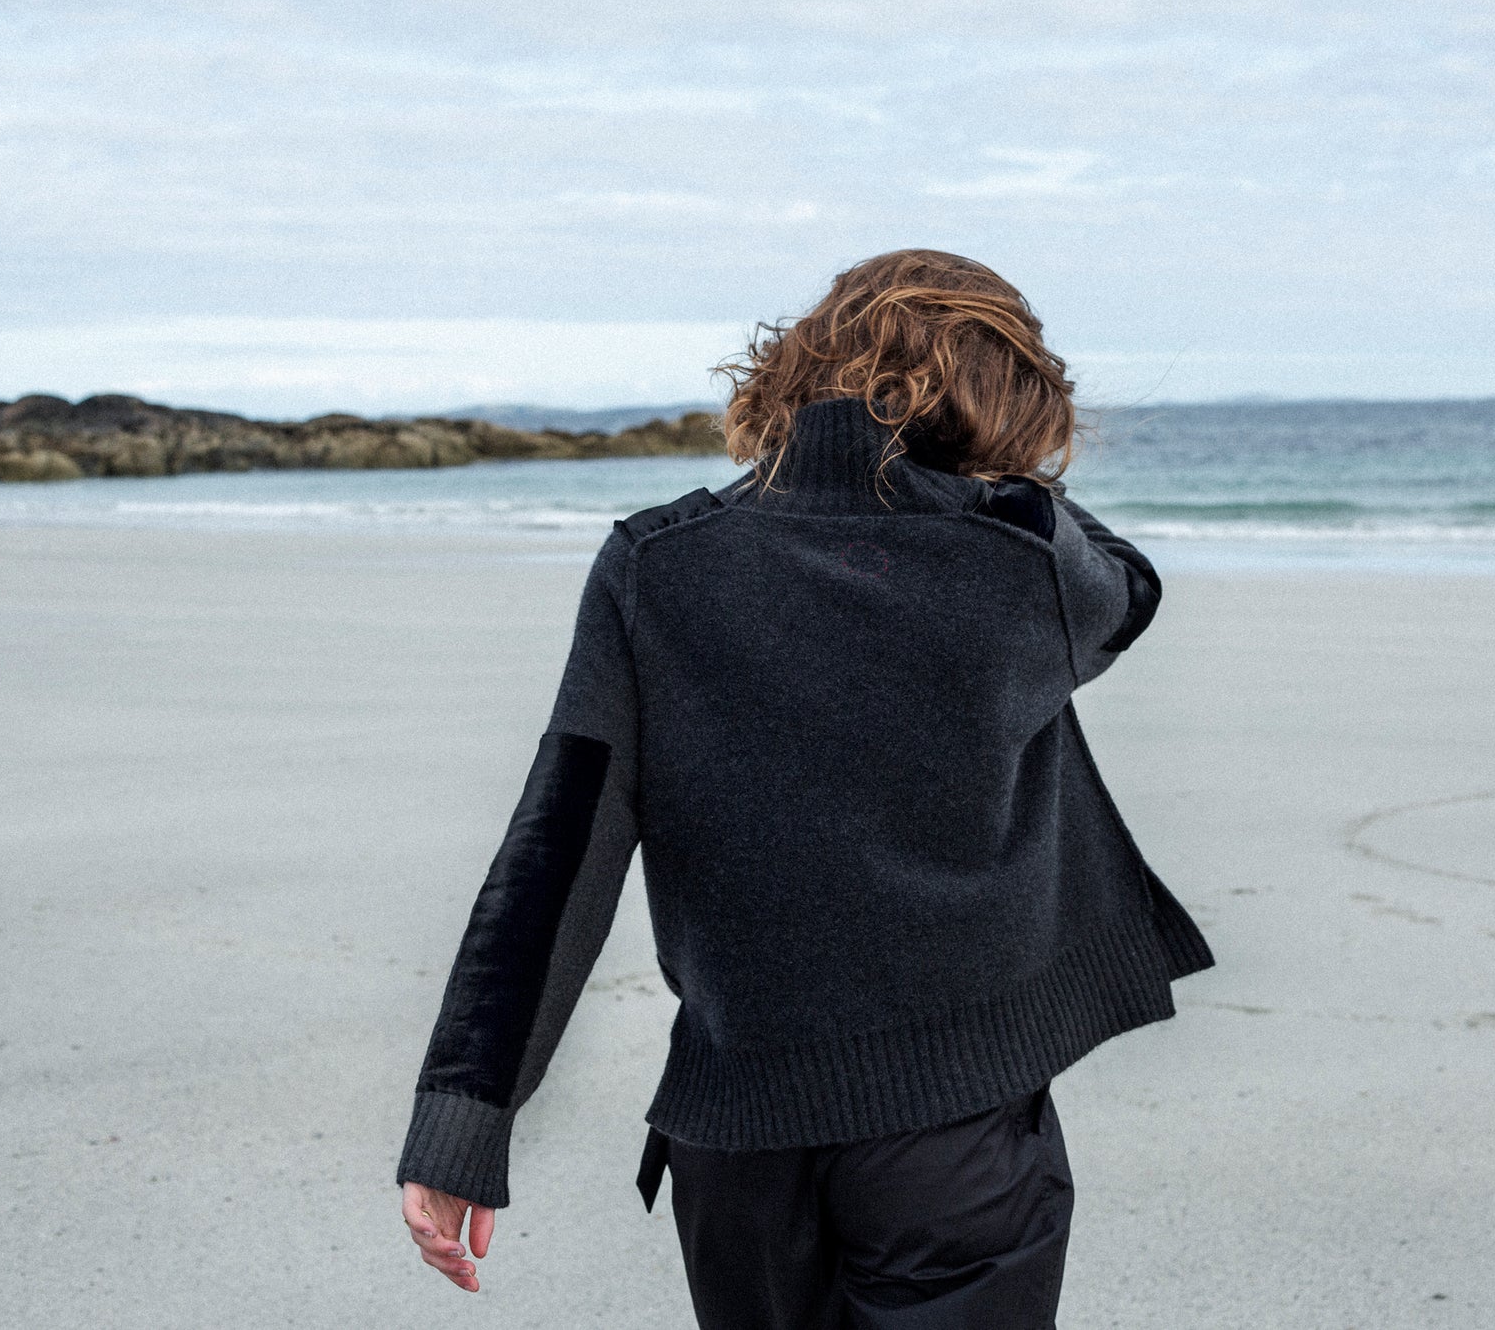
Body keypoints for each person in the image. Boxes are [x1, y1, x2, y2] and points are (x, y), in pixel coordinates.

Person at [394, 248, 1214, 1328]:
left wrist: (465, 1113)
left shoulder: (655, 564)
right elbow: (1129, 589)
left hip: (733, 1141)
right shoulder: (1016, 563)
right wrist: (995, 474)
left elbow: (560, 846)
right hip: (952, 1135)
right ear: (1004, 397)